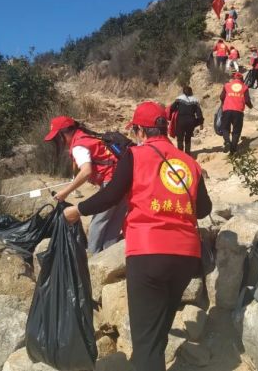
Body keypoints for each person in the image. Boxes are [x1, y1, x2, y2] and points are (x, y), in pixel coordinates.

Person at [62, 102, 212, 371]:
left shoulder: (135, 155)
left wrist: (78, 210)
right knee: (158, 332)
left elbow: (112, 194)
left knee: (145, 343)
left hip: (148, 254)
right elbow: (204, 210)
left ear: (140, 131)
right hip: (186, 258)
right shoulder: (190, 162)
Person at [44, 116, 126, 254]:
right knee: (113, 222)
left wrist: (65, 192)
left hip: (111, 181)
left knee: (98, 223)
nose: (57, 141)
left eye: (57, 137)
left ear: (64, 133)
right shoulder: (86, 137)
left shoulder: (79, 146)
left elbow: (86, 171)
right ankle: (108, 258)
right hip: (124, 178)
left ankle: (93, 259)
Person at [220, 72, 253, 154]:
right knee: (236, 131)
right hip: (238, 111)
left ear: (234, 79)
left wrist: (224, 102)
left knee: (225, 128)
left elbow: (221, 97)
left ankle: (227, 141)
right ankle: (233, 150)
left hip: (227, 109)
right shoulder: (245, 87)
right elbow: (247, 100)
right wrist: (250, 106)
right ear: (242, 79)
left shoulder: (227, 85)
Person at [169, 86, 204, 155]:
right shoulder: (195, 100)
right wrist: (201, 123)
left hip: (181, 120)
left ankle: (180, 154)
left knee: (180, 138)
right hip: (191, 121)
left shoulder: (179, 99)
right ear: (191, 92)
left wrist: (173, 114)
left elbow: (172, 108)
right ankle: (187, 153)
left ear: (183, 92)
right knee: (188, 137)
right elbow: (199, 113)